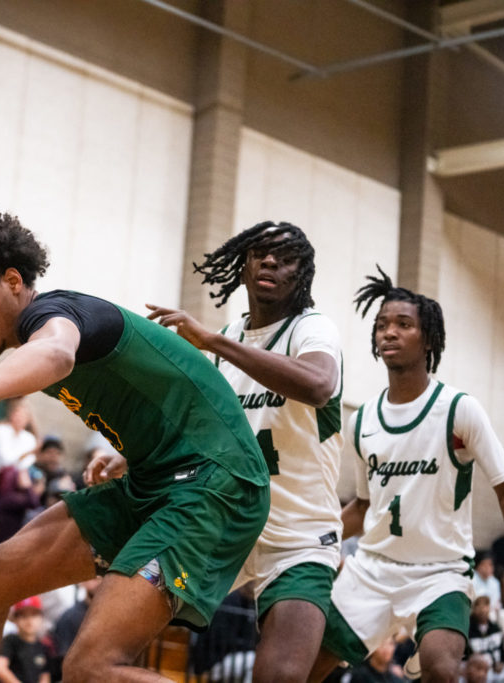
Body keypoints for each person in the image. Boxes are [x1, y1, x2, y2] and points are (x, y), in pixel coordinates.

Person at [0, 208, 270, 681]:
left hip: (215, 485)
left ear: (12, 280)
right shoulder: (51, 325)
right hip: (157, 477)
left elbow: (56, 353)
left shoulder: (51, 316)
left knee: (89, 668)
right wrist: (131, 452)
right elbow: (174, 397)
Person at [308, 267, 504, 683]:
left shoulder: (458, 409)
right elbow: (364, 506)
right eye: (381, 325)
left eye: (403, 324)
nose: (389, 333)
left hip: (440, 571)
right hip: (372, 570)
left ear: (429, 338)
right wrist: (313, 541)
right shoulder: (362, 421)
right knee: (305, 669)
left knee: (441, 667)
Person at [147, 220, 343, 683]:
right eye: (259, 253)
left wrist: (215, 342)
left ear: (303, 273)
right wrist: (126, 457)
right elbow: (191, 424)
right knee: (116, 633)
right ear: (244, 265)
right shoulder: (228, 336)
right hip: (227, 529)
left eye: (285, 256)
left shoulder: (312, 328)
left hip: (298, 536)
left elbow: (318, 384)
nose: (270, 261)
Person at [0, 596, 51, 683]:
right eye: (23, 616)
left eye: (34, 615)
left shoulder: (43, 647)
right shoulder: (10, 641)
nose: (29, 620)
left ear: (41, 618)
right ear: (15, 619)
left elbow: (45, 676)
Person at [468, 595, 504, 672]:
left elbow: (503, 651)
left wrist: (501, 663)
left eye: (486, 605)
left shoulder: (495, 628)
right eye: (479, 605)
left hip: (496, 671)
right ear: (473, 609)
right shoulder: (468, 630)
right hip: (477, 672)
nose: (482, 609)